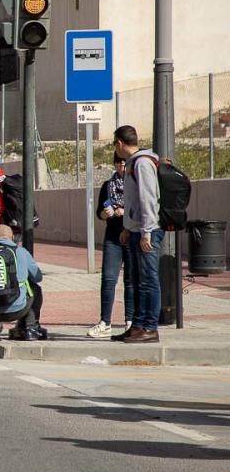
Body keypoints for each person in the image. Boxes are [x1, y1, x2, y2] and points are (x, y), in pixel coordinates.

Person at [113, 125, 163, 344]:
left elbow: (148, 199)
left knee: (149, 280)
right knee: (137, 281)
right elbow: (134, 201)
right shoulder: (135, 163)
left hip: (147, 231)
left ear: (120, 143)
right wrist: (127, 227)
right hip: (136, 230)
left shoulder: (142, 163)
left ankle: (150, 327)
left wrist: (146, 232)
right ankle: (137, 325)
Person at [87, 153, 134, 339]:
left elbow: (139, 207)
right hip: (113, 236)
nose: (121, 167)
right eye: (118, 163)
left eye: (124, 163)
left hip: (131, 234)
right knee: (108, 278)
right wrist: (105, 214)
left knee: (130, 280)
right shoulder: (108, 186)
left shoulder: (134, 184)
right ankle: (105, 322)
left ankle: (130, 321)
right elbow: (99, 211)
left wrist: (123, 211)